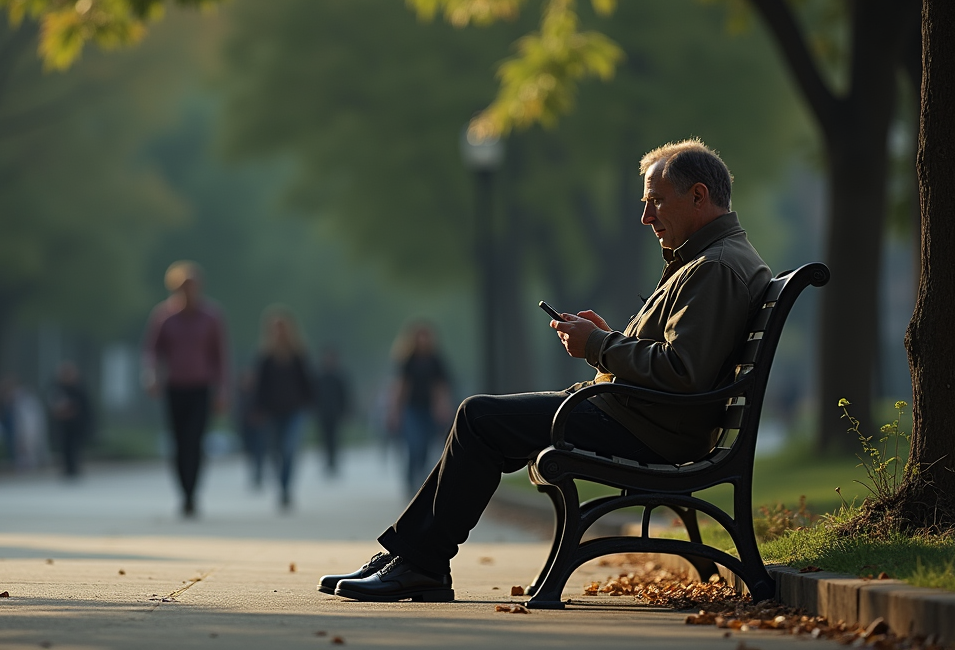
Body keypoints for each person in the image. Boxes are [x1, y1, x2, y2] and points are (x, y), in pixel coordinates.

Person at [319, 138, 772, 602]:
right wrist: (609, 342)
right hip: (649, 419)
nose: (646, 217)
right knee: (479, 419)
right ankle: (412, 556)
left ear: (699, 196)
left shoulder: (714, 267)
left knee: (479, 418)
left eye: (656, 202)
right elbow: (682, 361)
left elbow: (682, 371)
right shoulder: (712, 260)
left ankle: (418, 561)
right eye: (644, 203)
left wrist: (599, 345)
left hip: (651, 428)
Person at [142, 261, 230, 517]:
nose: (188, 291)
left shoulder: (212, 317)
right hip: (175, 386)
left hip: (201, 387)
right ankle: (183, 491)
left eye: (192, 285)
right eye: (183, 286)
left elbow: (220, 356)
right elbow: (151, 350)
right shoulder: (164, 316)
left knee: (196, 440)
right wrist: (151, 375)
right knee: (179, 441)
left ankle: (193, 492)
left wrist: (223, 389)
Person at [253, 309, 314, 510]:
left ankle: (286, 488)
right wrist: (257, 409)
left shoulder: (298, 356)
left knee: (289, 449)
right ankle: (280, 484)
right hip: (272, 412)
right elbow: (259, 387)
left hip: (294, 411)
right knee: (275, 451)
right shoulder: (265, 358)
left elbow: (307, 383)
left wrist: (310, 404)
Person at [388, 323, 452, 495]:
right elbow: (402, 385)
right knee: (414, 445)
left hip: (429, 409)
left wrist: (442, 406)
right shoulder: (408, 361)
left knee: (425, 445)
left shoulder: (436, 360)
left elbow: (440, 386)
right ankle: (410, 479)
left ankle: (421, 479)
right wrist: (395, 410)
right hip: (412, 408)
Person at [50, 361, 93, 478]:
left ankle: (74, 467)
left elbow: (85, 408)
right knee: (65, 446)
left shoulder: (79, 388)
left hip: (77, 424)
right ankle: (67, 467)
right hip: (64, 424)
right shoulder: (59, 388)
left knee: (75, 446)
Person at [315, 347, 351, 477]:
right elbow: (314, 395)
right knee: (325, 438)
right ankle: (327, 461)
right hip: (322, 413)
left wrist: (346, 411)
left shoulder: (339, 377)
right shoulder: (319, 376)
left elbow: (345, 396)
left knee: (335, 438)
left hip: (335, 413)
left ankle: (333, 461)